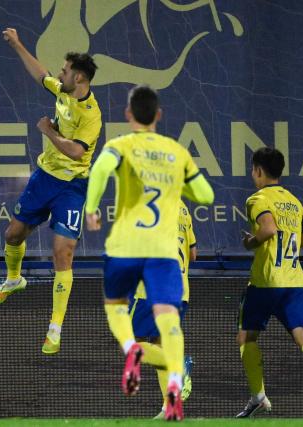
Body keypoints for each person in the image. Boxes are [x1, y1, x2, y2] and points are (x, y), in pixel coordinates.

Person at [84, 85, 214, 421]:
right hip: (162, 252)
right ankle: (174, 381)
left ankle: (131, 350)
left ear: (128, 115)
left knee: (116, 306)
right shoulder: (176, 152)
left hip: (125, 246)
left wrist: (92, 208)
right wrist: (180, 183)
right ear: (159, 115)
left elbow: (98, 171)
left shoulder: (121, 145)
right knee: (168, 321)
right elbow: (205, 195)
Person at [0, 28, 102, 355]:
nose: (59, 74)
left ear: (78, 77)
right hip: (44, 180)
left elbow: (77, 152)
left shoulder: (92, 117)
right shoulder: (64, 92)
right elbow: (41, 74)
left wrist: (48, 130)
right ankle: (13, 279)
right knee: (12, 235)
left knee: (62, 254)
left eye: (65, 71)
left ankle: (54, 328)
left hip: (73, 188)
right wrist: (18, 44)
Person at [237, 147, 303, 418]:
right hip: (294, 281)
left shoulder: (257, 198)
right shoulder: (293, 201)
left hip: (265, 281)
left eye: (252, 170)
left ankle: (258, 396)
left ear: (258, 170)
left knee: (247, 337)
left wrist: (250, 241)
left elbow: (268, 229)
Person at [129, 199, 196, 419]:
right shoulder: (182, 207)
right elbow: (192, 253)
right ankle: (170, 406)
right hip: (180, 290)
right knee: (158, 343)